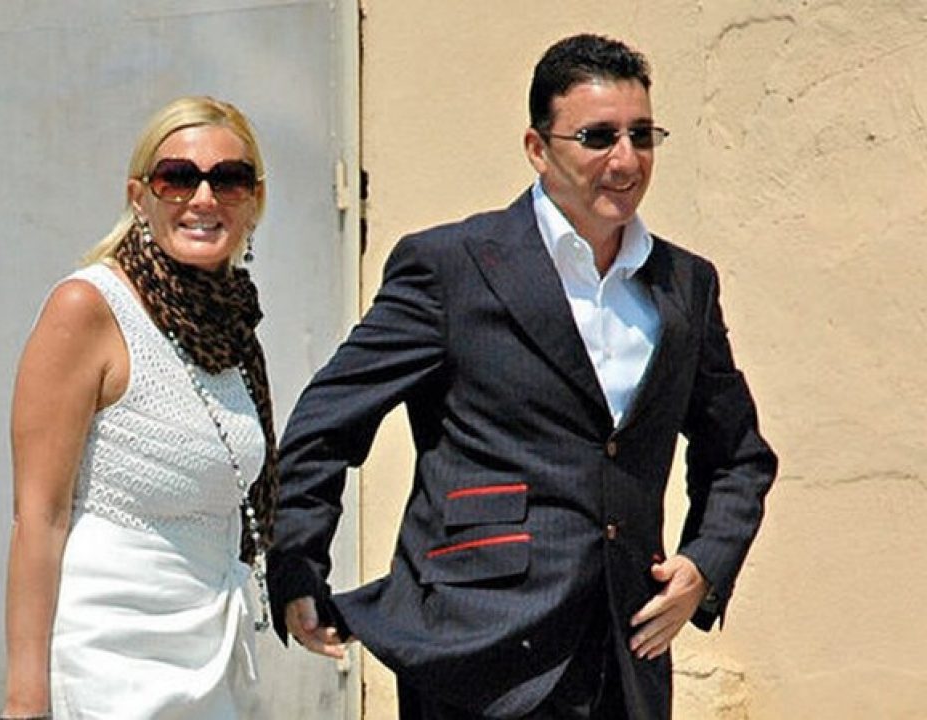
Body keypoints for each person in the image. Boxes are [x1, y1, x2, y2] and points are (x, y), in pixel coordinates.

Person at [266, 34, 778, 720]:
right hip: (475, 651)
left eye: (642, 135)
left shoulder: (685, 284)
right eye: (598, 137)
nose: (626, 160)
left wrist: (703, 565)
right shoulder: (452, 267)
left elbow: (739, 455)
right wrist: (298, 562)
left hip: (625, 653)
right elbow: (326, 422)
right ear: (538, 148)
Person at [0, 96, 278, 720]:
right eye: (176, 177)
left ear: (254, 200)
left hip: (209, 654)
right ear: (139, 196)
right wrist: (24, 703)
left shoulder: (231, 325)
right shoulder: (88, 308)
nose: (203, 198)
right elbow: (38, 517)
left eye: (229, 179)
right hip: (109, 656)